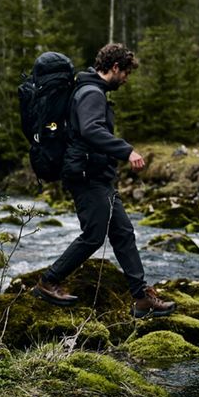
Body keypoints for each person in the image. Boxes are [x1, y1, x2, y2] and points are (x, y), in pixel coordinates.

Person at [32, 42, 176, 318]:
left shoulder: (89, 89)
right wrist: (127, 150)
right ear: (114, 68)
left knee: (122, 233)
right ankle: (49, 281)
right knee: (94, 235)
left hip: (97, 174)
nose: (126, 79)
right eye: (126, 73)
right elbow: (90, 129)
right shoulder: (91, 93)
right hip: (86, 175)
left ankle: (141, 298)